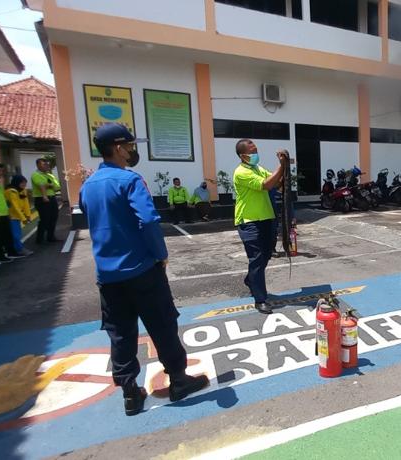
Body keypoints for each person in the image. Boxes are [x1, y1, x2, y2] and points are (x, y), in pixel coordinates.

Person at [80, 123, 207, 416]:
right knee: (162, 324)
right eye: (129, 145)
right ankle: (177, 380)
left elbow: (89, 215)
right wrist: (160, 254)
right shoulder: (130, 181)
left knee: (121, 334)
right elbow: (148, 221)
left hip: (108, 276)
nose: (132, 150)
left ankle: (130, 394)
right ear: (118, 148)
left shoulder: (88, 185)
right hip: (141, 270)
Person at [232, 138, 288, 314]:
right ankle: (260, 299)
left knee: (265, 256)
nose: (256, 154)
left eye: (256, 150)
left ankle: (251, 280)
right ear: (243, 156)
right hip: (249, 221)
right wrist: (281, 166)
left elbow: (275, 183)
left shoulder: (257, 168)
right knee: (256, 258)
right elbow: (266, 185)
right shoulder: (241, 172)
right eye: (252, 152)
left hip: (266, 218)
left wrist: (284, 168)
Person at [32, 158, 61, 243]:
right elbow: (41, 185)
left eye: (47, 164)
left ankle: (51, 237)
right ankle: (39, 239)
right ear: (38, 165)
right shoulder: (36, 175)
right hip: (42, 199)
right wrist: (49, 185)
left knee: (53, 217)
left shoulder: (50, 175)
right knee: (45, 219)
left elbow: (57, 186)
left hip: (52, 198)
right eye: (44, 164)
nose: (46, 166)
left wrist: (48, 185)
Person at [5, 175, 35, 256]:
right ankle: (19, 249)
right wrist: (23, 218)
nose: (24, 185)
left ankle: (16, 249)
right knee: (15, 235)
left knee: (16, 233)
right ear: (17, 182)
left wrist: (28, 215)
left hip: (17, 216)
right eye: (22, 183)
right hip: (11, 216)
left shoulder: (22, 190)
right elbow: (15, 206)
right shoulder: (11, 192)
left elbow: (26, 203)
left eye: (25, 183)